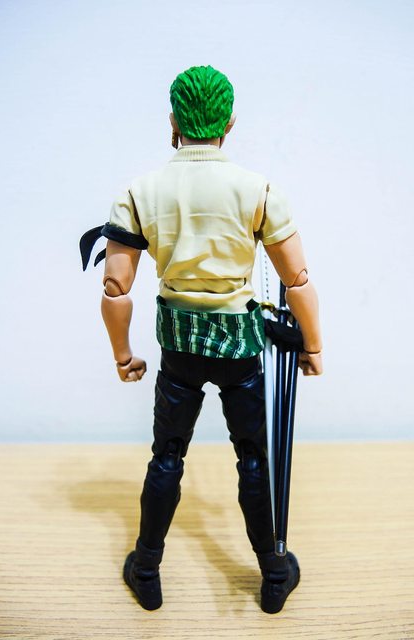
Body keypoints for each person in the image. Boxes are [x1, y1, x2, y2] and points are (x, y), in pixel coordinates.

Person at [80, 65, 322, 614]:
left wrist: (122, 355)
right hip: (240, 346)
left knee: (167, 455)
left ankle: (146, 568)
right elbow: (298, 280)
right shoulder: (258, 189)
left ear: (173, 121)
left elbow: (115, 286)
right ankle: (273, 571)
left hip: (180, 347)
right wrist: (313, 345)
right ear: (229, 123)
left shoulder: (140, 192)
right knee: (254, 459)